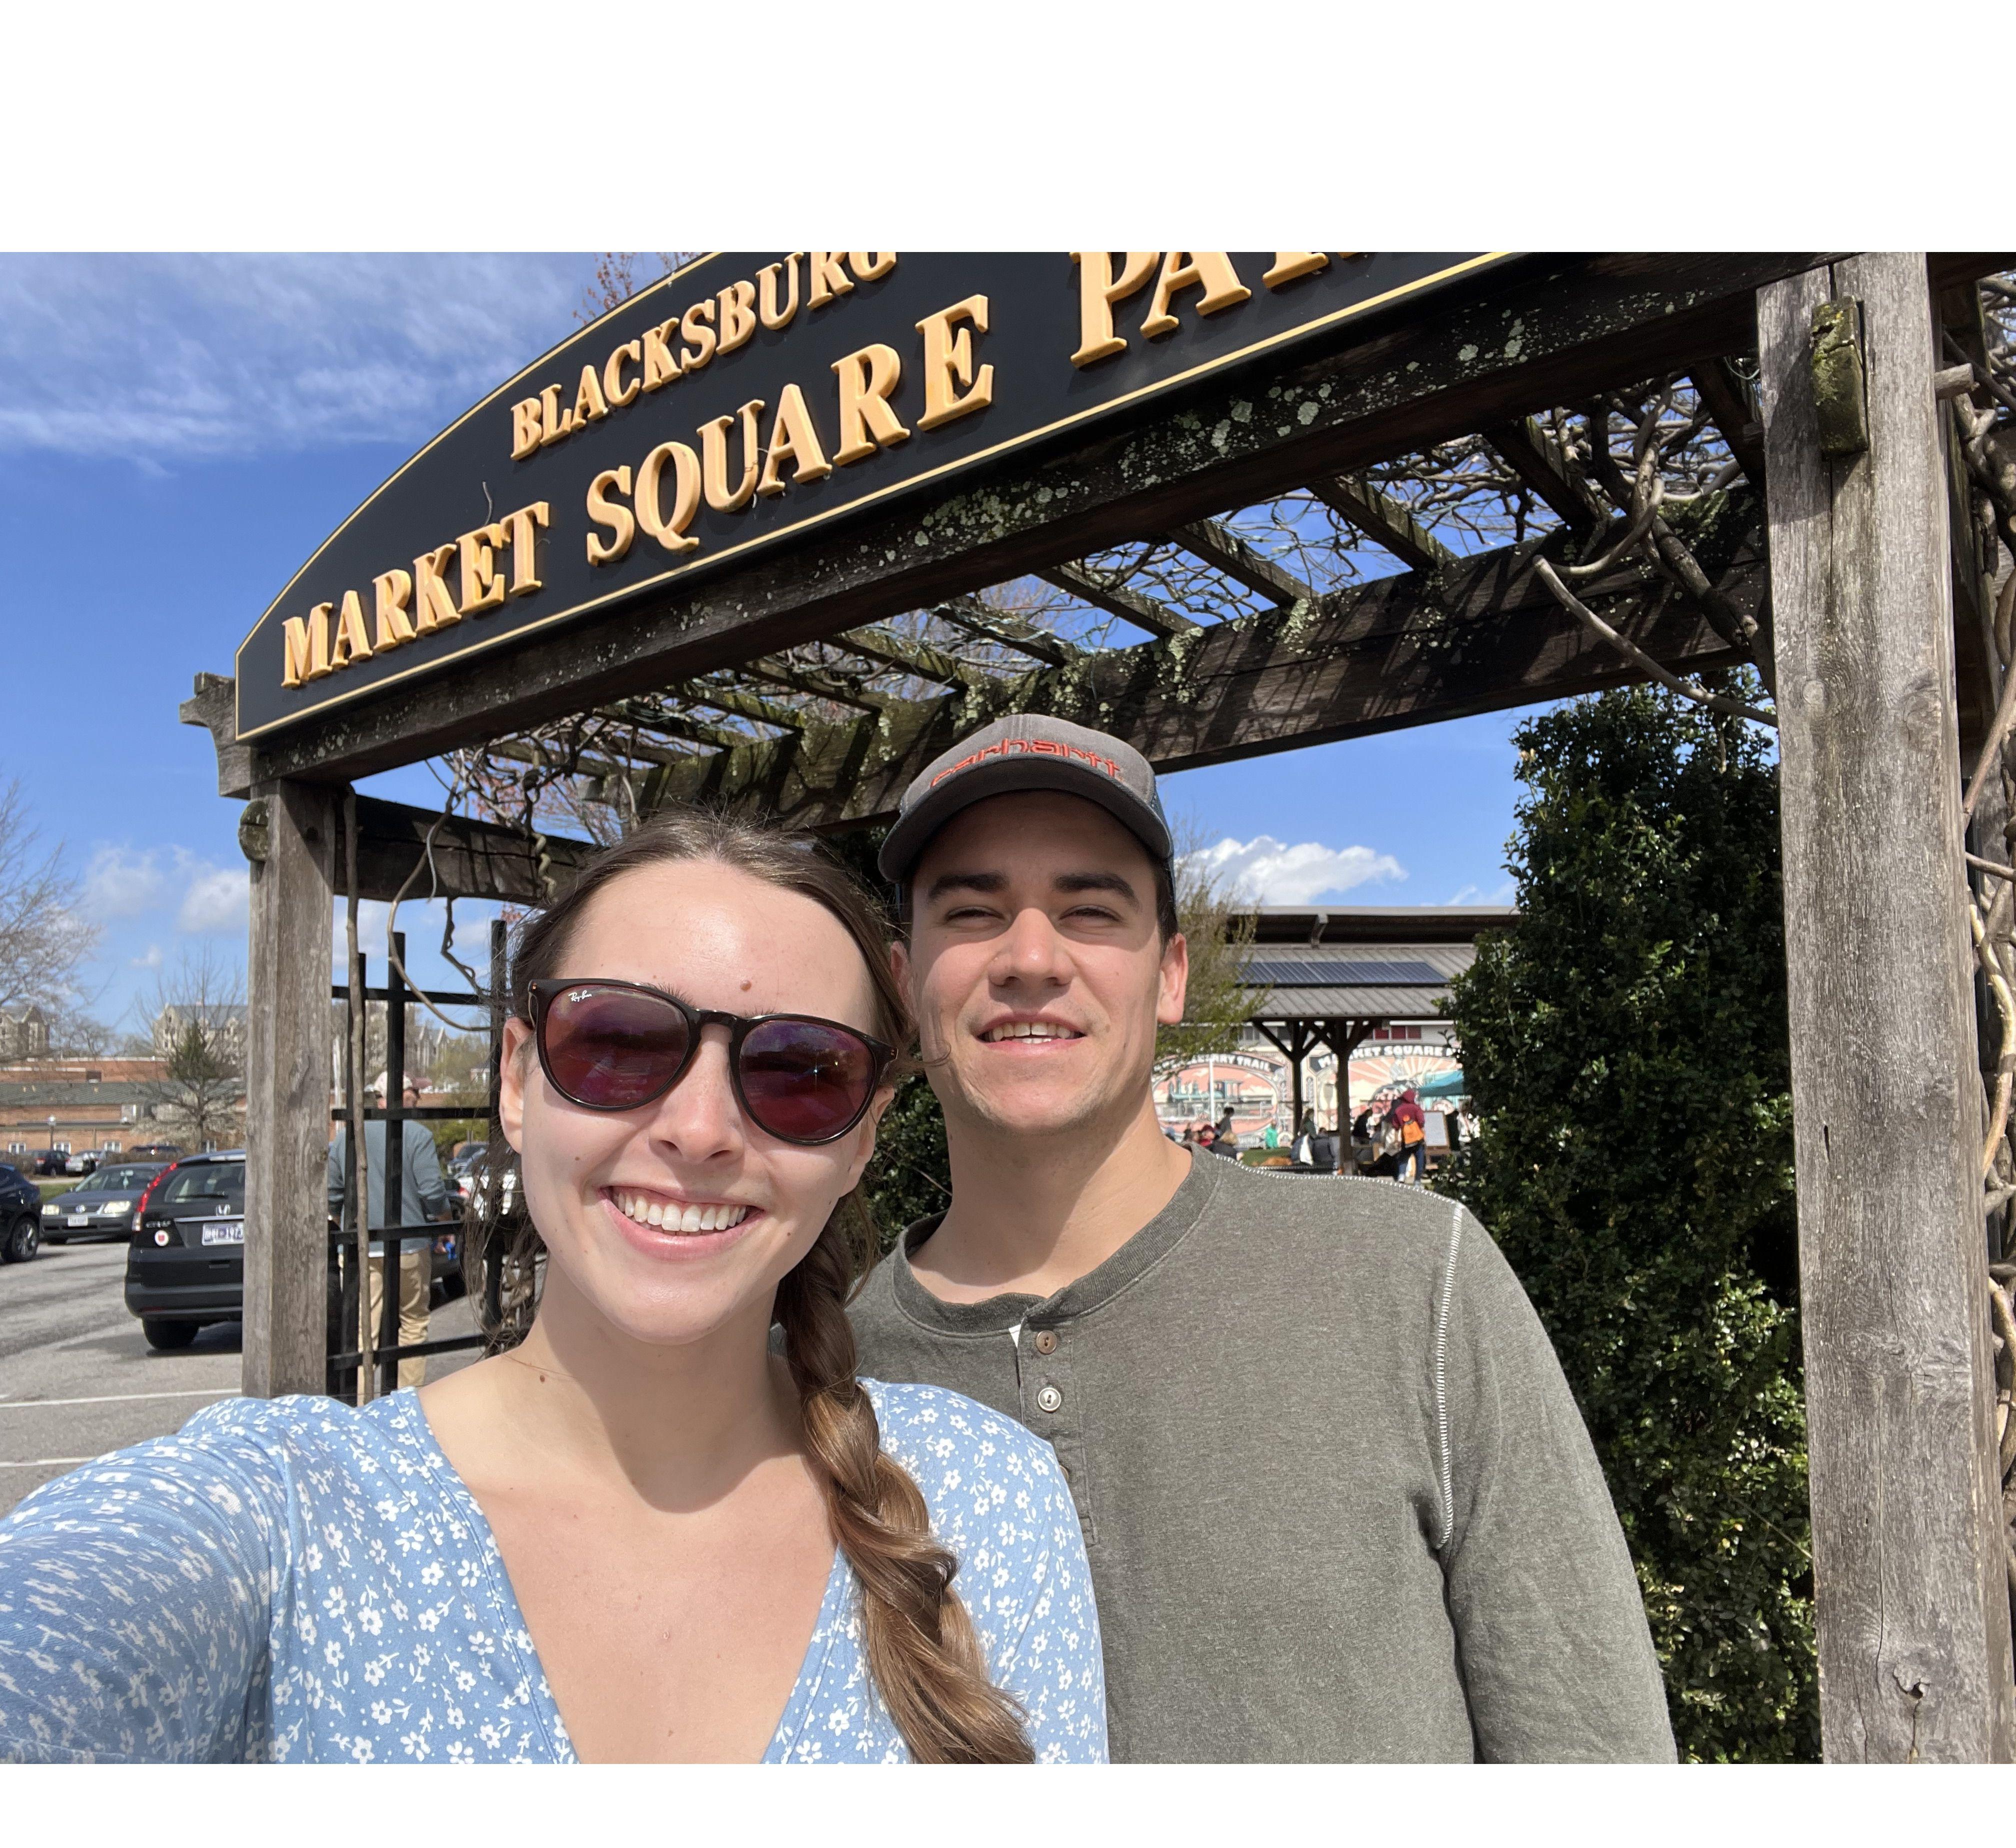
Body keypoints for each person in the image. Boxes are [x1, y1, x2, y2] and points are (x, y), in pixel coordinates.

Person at [0, 810, 1104, 1766]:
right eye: (619, 1042)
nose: (700, 1129)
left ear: (864, 1138)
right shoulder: (286, 1517)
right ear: (520, 1080)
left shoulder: (985, 1502)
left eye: (798, 1070)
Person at [852, 711, 1674, 1762]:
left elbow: (1594, 1748)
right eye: (971, 912)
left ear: (1171, 974)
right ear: (903, 978)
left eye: (1090, 910)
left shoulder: (1415, 1281)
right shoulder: (822, 1384)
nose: (1030, 957)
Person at [327, 1078, 451, 1390]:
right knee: (413, 1323)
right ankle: (407, 1401)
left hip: (360, 1244)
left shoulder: (349, 1137)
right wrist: (445, 1223)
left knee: (362, 1330)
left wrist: (338, 1215)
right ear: (386, 1099)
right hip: (409, 1243)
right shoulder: (418, 1135)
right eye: (411, 1095)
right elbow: (433, 1192)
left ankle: (361, 1402)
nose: (416, 1101)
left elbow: (332, 1191)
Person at [1388, 1084, 1428, 1185]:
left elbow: (1396, 1126)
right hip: (1418, 1139)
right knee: (1420, 1159)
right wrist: (1424, 1136)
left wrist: (1397, 1139)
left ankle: (1401, 1176)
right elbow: (1421, 1122)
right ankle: (1417, 1181)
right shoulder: (1416, 1108)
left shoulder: (1398, 1110)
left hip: (1406, 1139)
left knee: (1404, 1158)